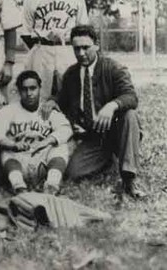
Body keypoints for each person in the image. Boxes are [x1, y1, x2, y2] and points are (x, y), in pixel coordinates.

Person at [44, 25, 146, 199]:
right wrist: (51, 102)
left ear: (96, 45)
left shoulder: (113, 68)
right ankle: (109, 159)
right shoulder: (71, 74)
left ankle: (129, 179)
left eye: (86, 47)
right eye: (77, 48)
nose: (81, 53)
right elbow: (62, 98)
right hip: (93, 137)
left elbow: (131, 97)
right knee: (73, 172)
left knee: (130, 115)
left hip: (115, 130)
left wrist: (112, 105)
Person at [23, 0, 88, 101]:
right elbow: (26, 31)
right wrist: (40, 46)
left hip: (67, 49)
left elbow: (83, 28)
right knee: (39, 95)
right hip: (42, 50)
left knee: (71, 94)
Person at [0, 71, 72, 195]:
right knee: (5, 150)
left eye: (33, 88)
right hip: (18, 161)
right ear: (19, 91)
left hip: (42, 161)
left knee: (60, 145)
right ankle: (19, 187)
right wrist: (13, 145)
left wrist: (46, 141)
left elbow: (66, 129)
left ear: (40, 88)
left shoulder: (47, 109)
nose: (29, 93)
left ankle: (52, 185)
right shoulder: (8, 111)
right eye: (24, 89)